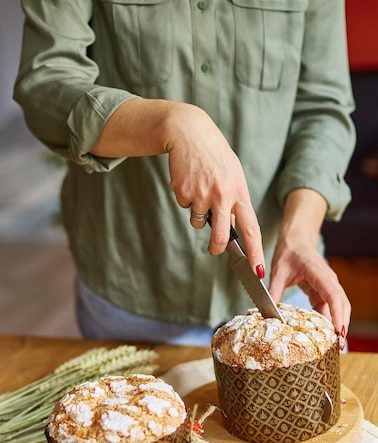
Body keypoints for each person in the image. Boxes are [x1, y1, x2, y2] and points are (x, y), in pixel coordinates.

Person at [14, 0, 355, 347]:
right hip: (131, 287)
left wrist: (300, 234)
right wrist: (171, 123)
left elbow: (323, 109)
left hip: (282, 280)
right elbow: (45, 84)